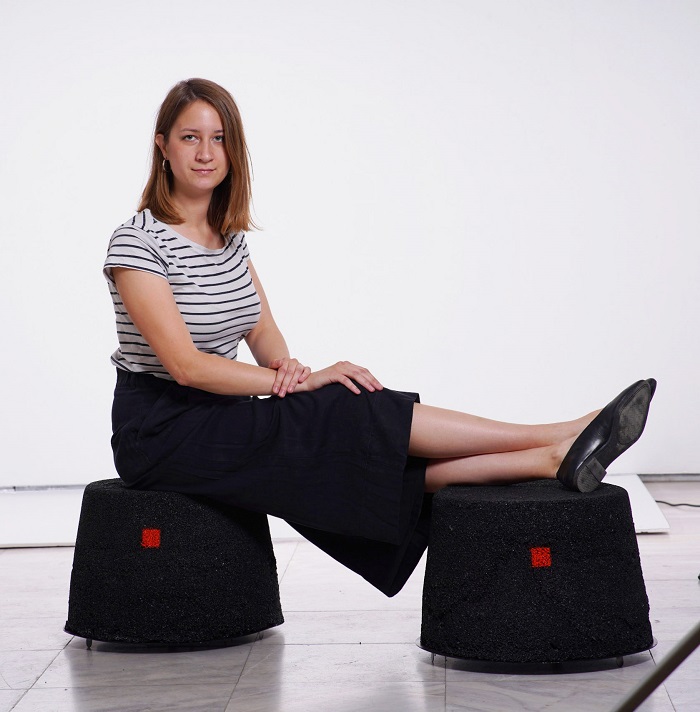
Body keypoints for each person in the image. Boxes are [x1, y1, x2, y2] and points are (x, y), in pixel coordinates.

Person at [104, 78, 656, 596]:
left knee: (350, 420)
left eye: (219, 138)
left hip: (223, 413)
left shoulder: (227, 239)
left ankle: (550, 457)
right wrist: (295, 385)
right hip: (159, 431)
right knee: (336, 409)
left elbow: (261, 328)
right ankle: (559, 431)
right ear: (163, 146)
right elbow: (186, 367)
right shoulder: (137, 242)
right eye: (190, 137)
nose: (206, 152)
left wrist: (289, 371)